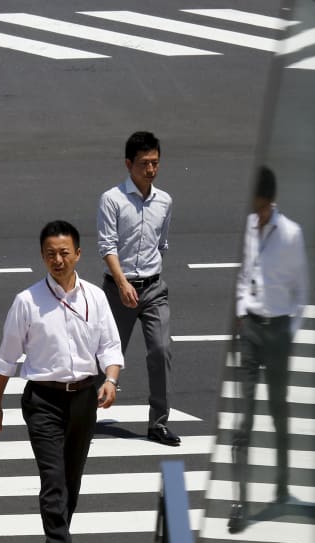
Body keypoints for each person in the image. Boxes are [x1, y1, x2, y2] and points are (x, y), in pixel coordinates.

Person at [0, 220, 123, 543]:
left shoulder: (95, 297)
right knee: (53, 478)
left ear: (78, 254)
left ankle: (55, 538)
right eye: (51, 254)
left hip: (83, 397)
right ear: (42, 257)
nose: (58, 260)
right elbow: (7, 357)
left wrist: (110, 380)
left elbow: (110, 346)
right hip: (42, 399)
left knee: (72, 478)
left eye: (65, 253)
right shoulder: (27, 301)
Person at [228, 167, 307, 534]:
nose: (257, 214)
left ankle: (282, 481)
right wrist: (243, 312)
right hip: (252, 330)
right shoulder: (246, 227)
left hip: (278, 331)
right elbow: (244, 273)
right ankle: (240, 501)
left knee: (278, 408)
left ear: (270, 202)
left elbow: (301, 291)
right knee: (243, 419)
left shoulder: (291, 234)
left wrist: (288, 332)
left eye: (261, 208)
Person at [97, 131, 179, 447]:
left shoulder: (165, 201)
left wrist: (147, 277)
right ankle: (78, 417)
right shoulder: (112, 199)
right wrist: (122, 283)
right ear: (129, 163)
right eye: (144, 163)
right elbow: (107, 246)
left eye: (155, 163)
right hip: (118, 289)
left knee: (161, 351)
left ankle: (158, 424)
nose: (151, 170)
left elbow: (163, 244)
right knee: (101, 356)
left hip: (154, 289)